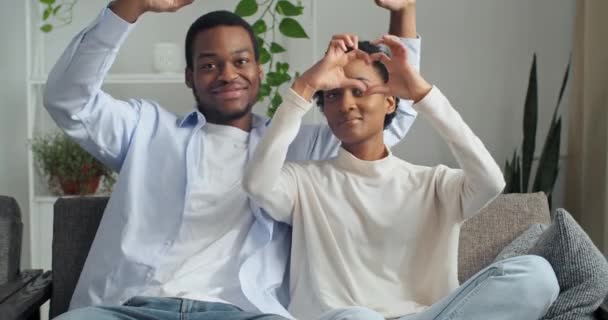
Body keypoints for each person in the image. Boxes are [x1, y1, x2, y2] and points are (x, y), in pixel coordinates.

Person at [44, 0, 422, 319]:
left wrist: (404, 11)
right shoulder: (144, 130)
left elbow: (393, 117)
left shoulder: (294, 147)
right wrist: (130, 5)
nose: (228, 74)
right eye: (209, 65)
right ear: (189, 77)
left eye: (241, 62)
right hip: (128, 307)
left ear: (260, 71)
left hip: (243, 311)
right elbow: (67, 99)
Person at [242, 34, 560, 320]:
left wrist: (423, 95)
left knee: (537, 274)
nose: (346, 104)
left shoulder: (433, 183)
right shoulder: (303, 181)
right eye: (333, 95)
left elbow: (491, 181)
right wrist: (305, 87)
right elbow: (257, 185)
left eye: (359, 90)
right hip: (344, 319)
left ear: (390, 101)